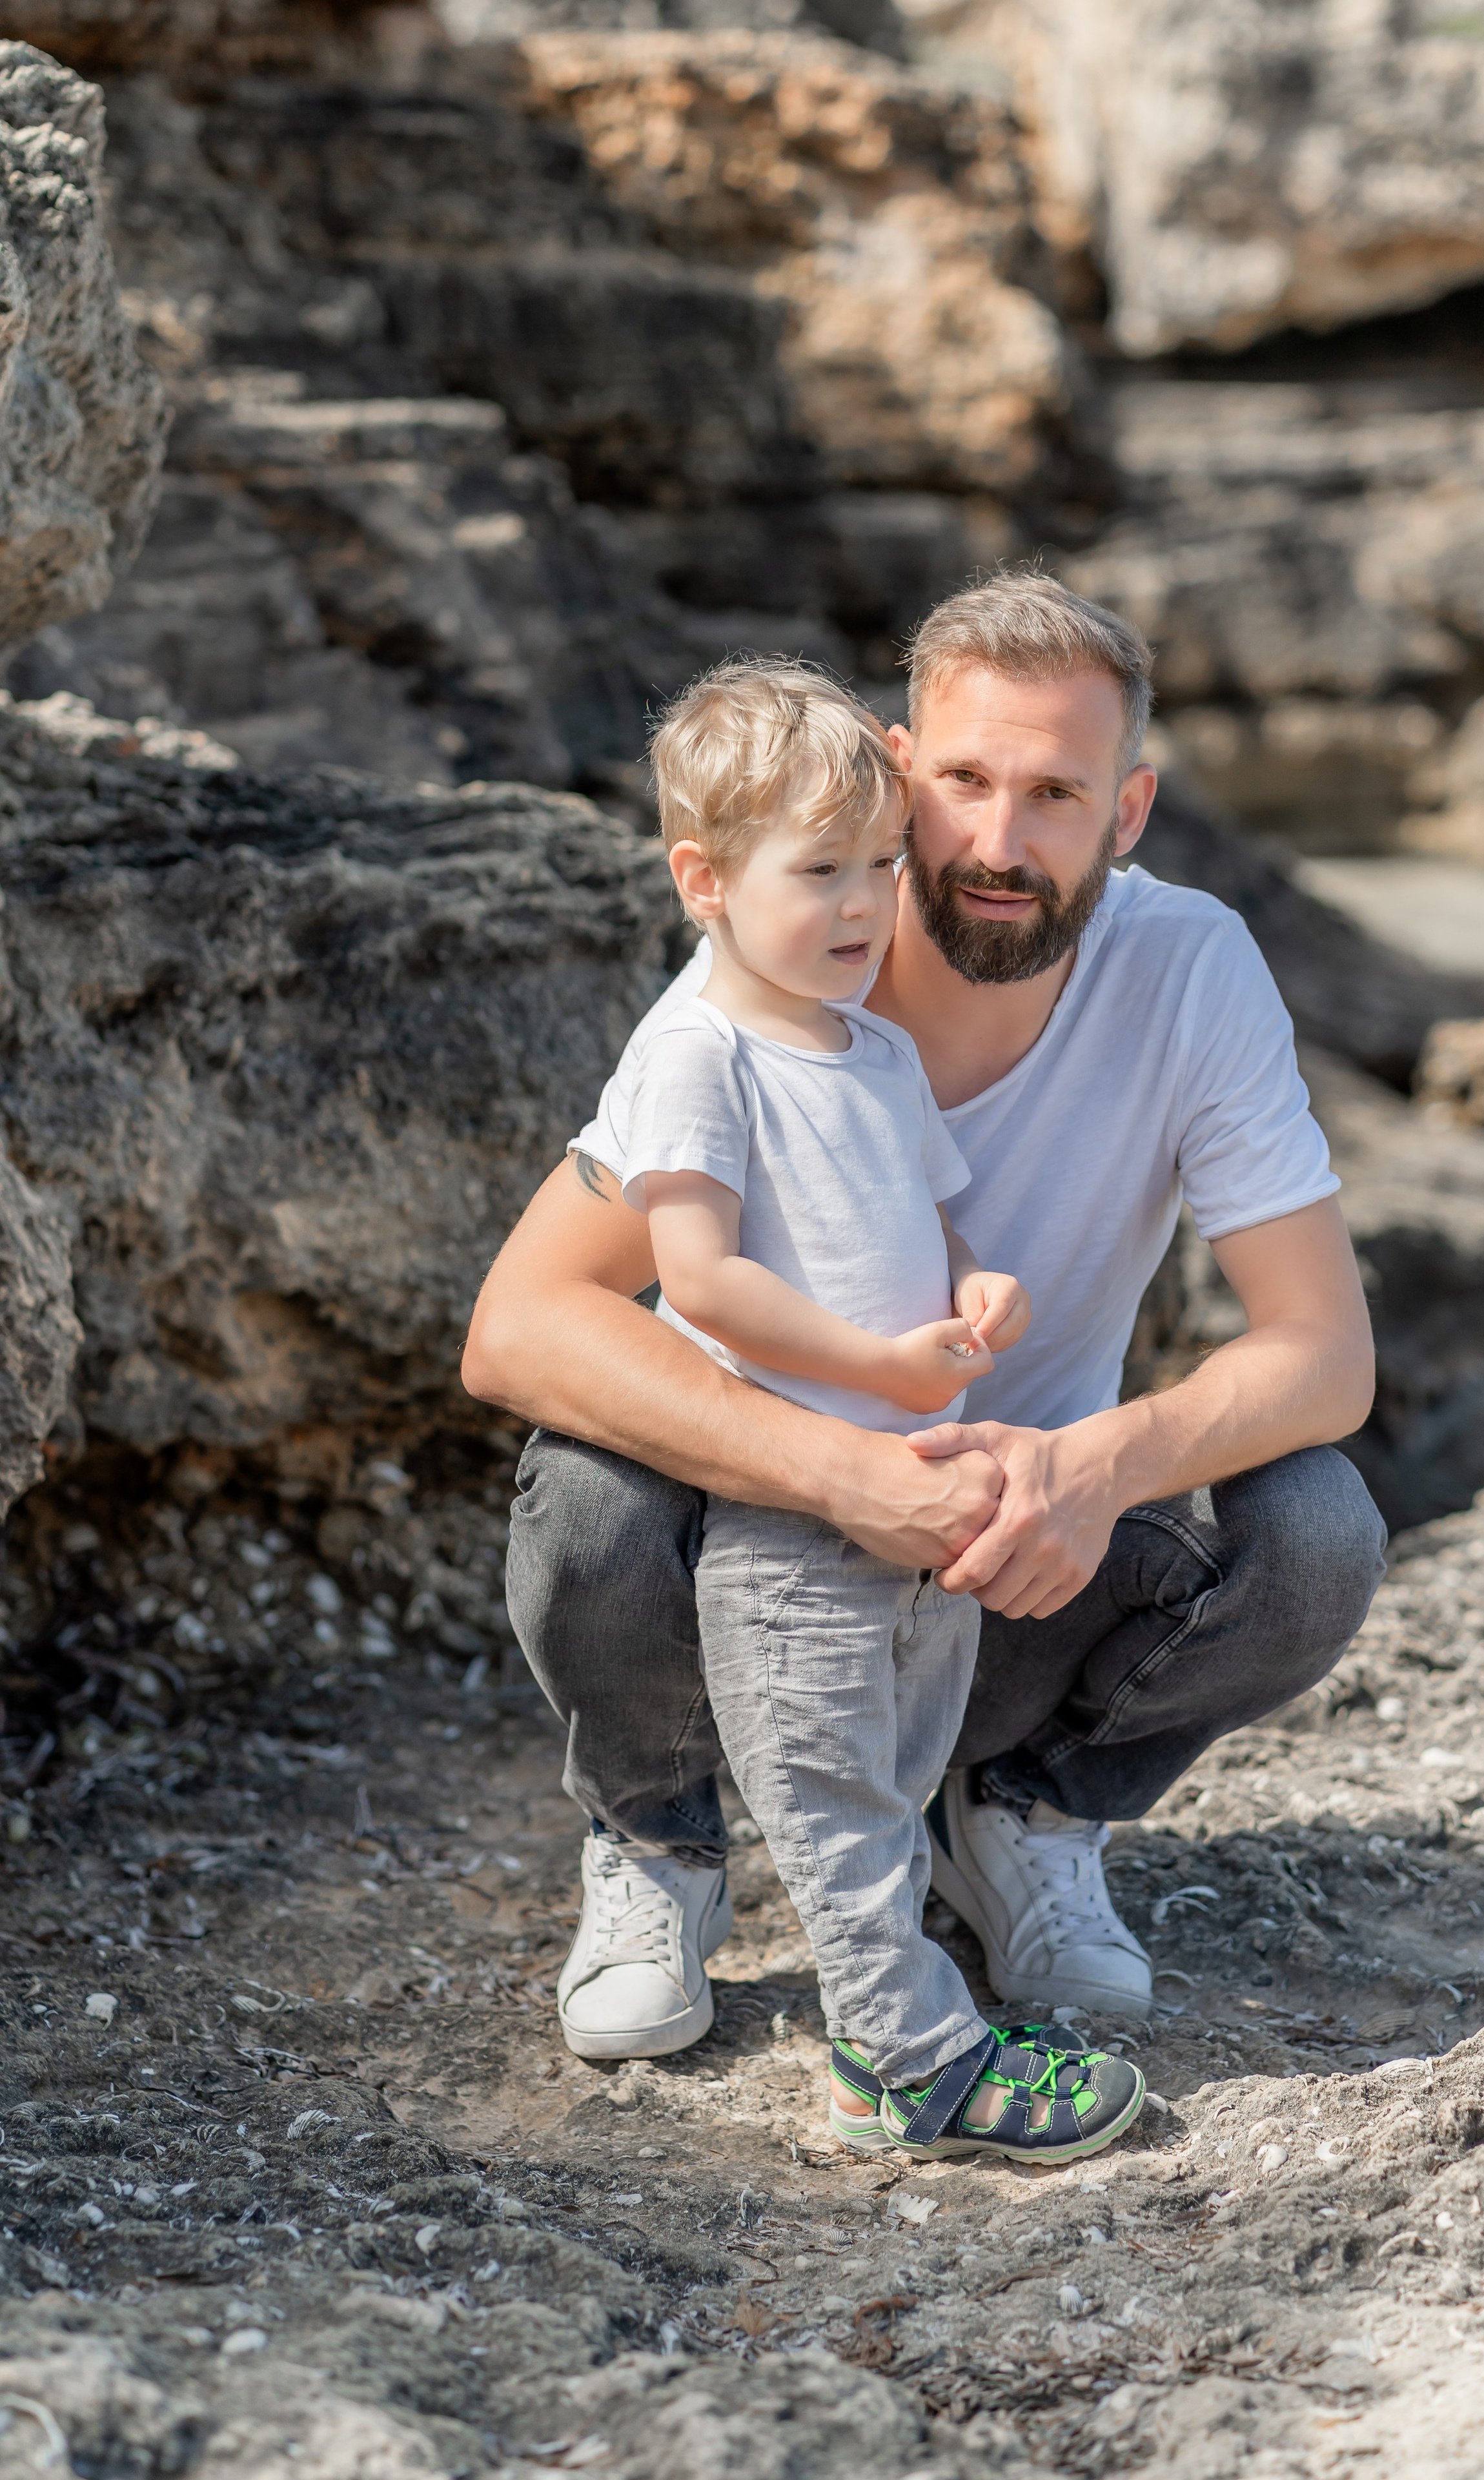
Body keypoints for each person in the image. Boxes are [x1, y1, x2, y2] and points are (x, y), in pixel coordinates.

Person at [463, 571, 1386, 2104]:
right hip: (758, 1589)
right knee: (584, 1495)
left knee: (1315, 1526)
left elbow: (1325, 1356)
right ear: (900, 768)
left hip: (1005, 1577)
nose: (995, 842)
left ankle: (1015, 1818)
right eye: (960, 781)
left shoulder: (1191, 969)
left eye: (1053, 793)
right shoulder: (773, 972)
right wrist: (838, 1471)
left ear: (1129, 810)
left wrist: (1096, 1464)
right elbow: (519, 1324)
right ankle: (661, 1843)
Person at [597, 657, 1144, 2162]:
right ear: (703, 880)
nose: (861, 906)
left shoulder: (878, 1050)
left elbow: (929, 1221)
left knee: (898, 1773)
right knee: (829, 1790)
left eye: (880, 868)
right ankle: (920, 2064)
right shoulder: (698, 1055)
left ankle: (867, 2048)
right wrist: (878, 1361)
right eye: (819, 873)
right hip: (791, 1506)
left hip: (916, 1497)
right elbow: (696, 1277)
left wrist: (977, 1301)